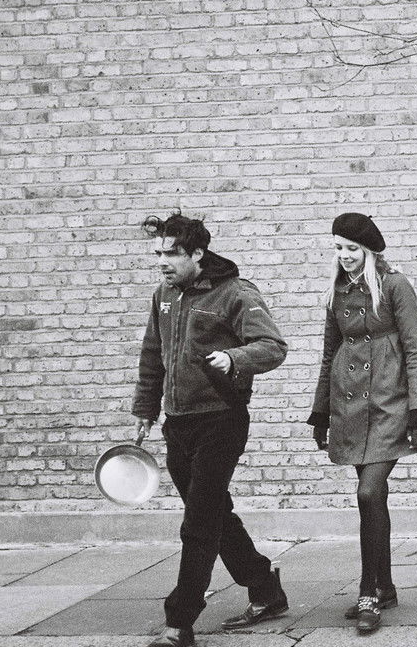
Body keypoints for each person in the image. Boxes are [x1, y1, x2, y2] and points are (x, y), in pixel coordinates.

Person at [131, 213, 290, 647]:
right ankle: (265, 587)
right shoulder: (164, 295)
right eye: (158, 253)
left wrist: (234, 358)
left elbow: (273, 346)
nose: (162, 262)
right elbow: (153, 354)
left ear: (198, 253)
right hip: (178, 423)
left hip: (221, 419)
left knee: (198, 522)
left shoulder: (235, 293)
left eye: (171, 254)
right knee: (214, 513)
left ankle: (179, 622)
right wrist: (146, 408)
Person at [308, 212, 417, 635]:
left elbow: (414, 351)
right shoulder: (337, 291)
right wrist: (321, 412)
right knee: (373, 499)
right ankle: (387, 587)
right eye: (338, 248)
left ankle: (367, 593)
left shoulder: (395, 286)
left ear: (370, 250)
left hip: (388, 405)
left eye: (352, 248)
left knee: (368, 492)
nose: (344, 256)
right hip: (349, 406)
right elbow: (329, 353)